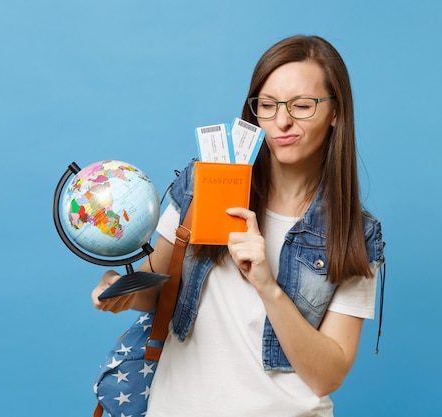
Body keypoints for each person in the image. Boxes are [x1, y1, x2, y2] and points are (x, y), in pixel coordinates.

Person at [91, 35, 385, 416]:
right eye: (267, 105)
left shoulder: (353, 232)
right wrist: (121, 290)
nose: (282, 120)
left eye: (301, 105)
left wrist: (267, 285)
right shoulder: (203, 184)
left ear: (336, 113)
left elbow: (326, 376)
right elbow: (157, 287)